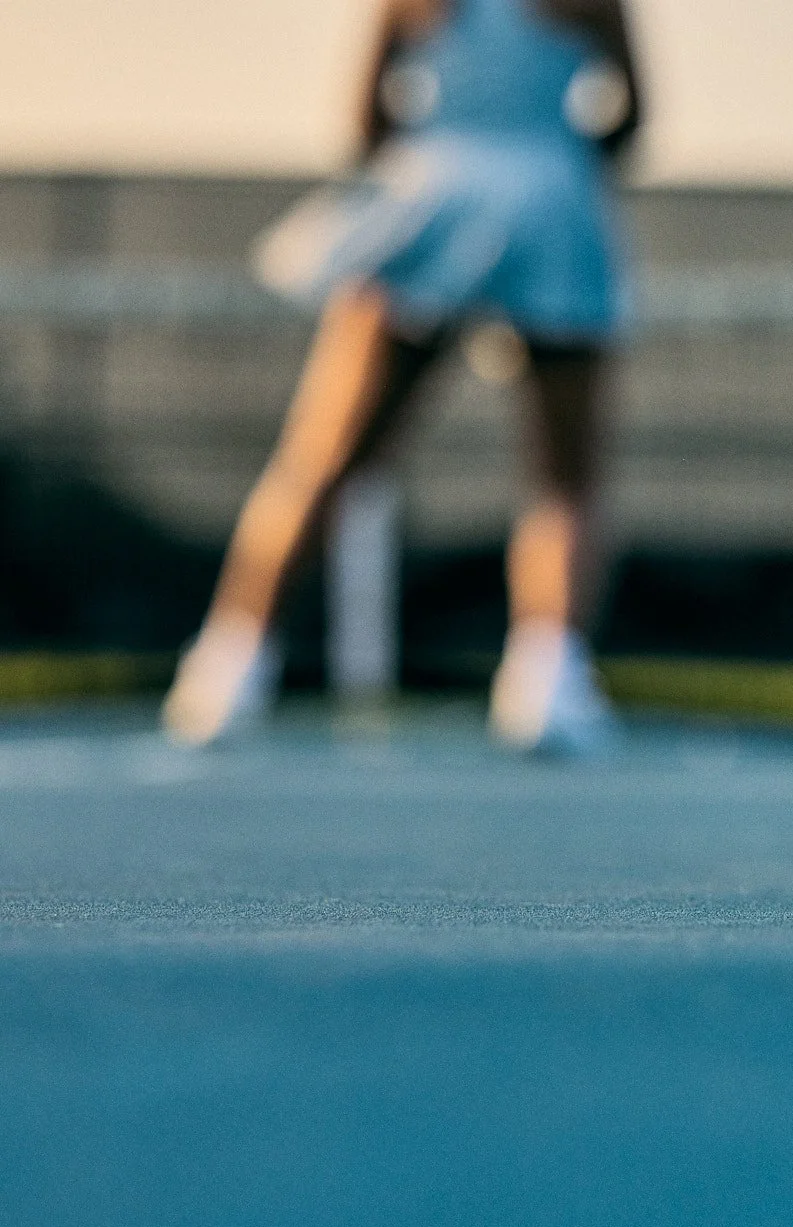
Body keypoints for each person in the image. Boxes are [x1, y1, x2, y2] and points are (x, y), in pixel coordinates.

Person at [162, 0, 642, 755]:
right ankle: (546, 681)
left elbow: (365, 122)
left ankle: (228, 666)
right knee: (565, 479)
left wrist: (436, 165)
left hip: (432, 195)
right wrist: (546, 155)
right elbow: (631, 117)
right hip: (554, 203)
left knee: (321, 457)